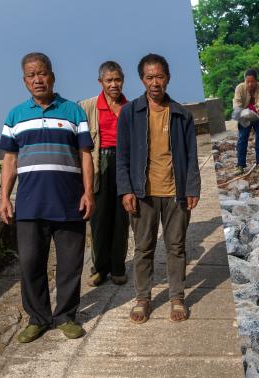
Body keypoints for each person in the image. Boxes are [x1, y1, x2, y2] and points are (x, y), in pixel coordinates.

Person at [0, 52, 94, 343]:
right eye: (31, 75)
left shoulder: (73, 112)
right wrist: (5, 197)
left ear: (52, 75)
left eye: (42, 73)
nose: (37, 79)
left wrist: (89, 192)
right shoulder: (15, 115)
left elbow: (85, 155)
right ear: (24, 80)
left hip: (68, 201)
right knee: (30, 263)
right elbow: (10, 160)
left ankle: (66, 316)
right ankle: (38, 318)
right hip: (29, 204)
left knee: (70, 264)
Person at [116, 53, 201, 324]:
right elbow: (123, 156)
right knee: (143, 247)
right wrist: (126, 190)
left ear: (168, 78)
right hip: (143, 193)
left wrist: (192, 187)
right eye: (150, 77)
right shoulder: (130, 113)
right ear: (142, 80)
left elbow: (191, 155)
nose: (155, 82)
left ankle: (177, 296)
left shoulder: (181, 114)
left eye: (160, 76)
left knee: (176, 246)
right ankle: (143, 298)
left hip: (175, 192)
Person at [79, 61, 129, 287]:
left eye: (117, 79)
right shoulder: (89, 106)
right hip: (99, 164)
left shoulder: (130, 107)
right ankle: (99, 268)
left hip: (122, 164)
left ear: (123, 81)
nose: (114, 84)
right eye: (109, 80)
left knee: (121, 217)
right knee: (99, 220)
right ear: (101, 82)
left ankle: (118, 267)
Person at [233, 68, 259, 175]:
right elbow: (236, 102)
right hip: (244, 116)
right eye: (247, 81)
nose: (250, 84)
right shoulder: (239, 88)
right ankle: (240, 165)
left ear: (256, 81)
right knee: (242, 139)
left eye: (252, 81)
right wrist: (239, 111)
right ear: (244, 80)